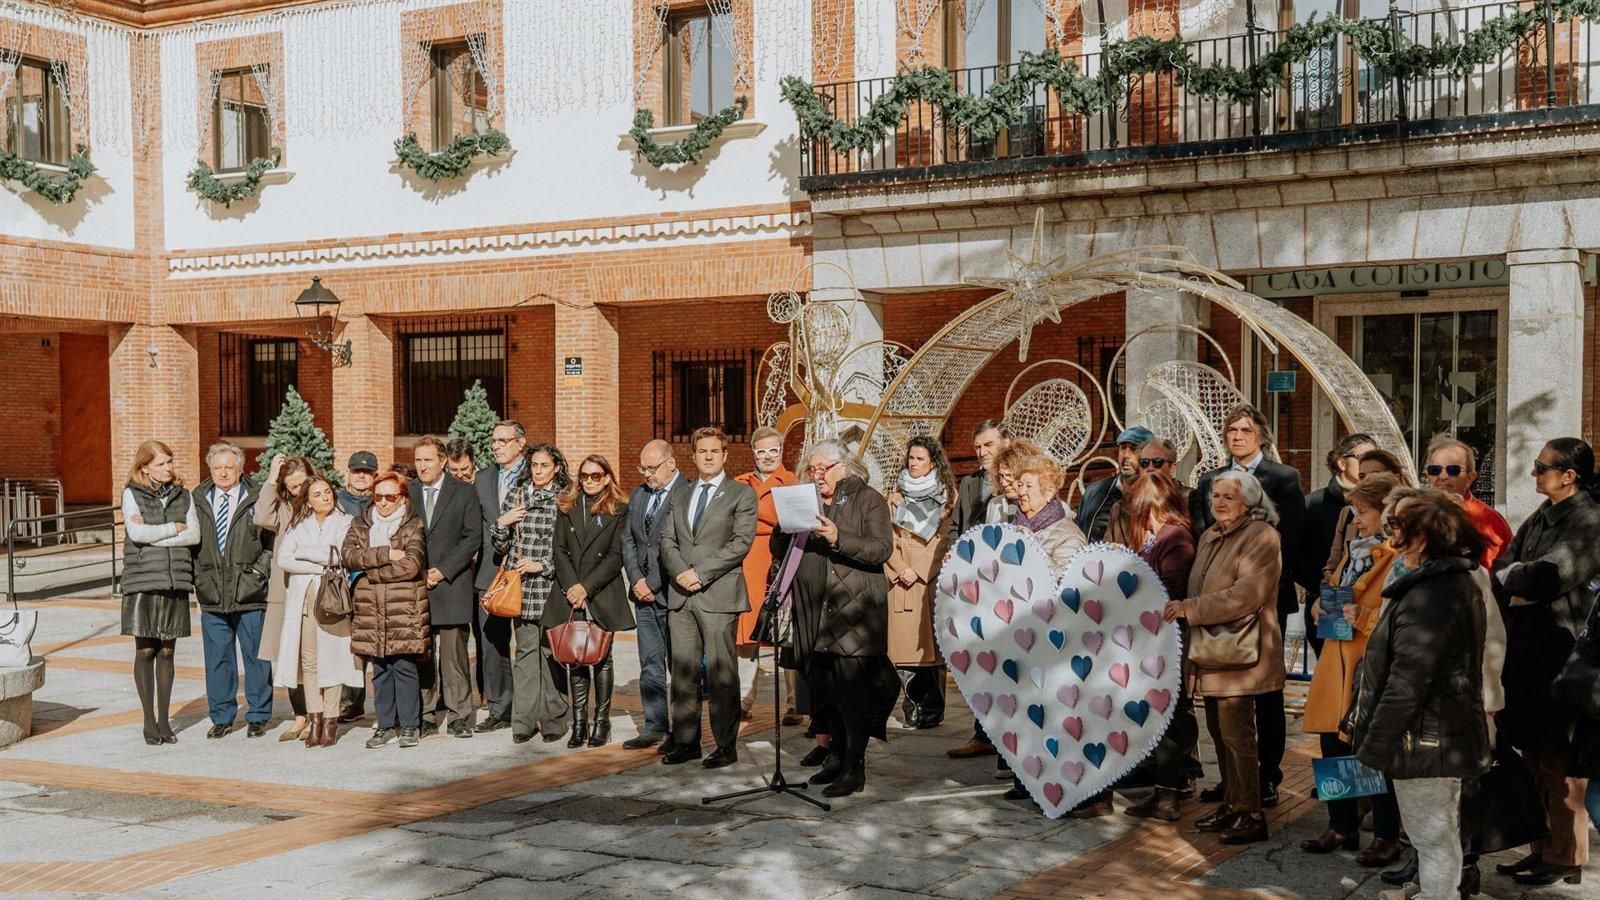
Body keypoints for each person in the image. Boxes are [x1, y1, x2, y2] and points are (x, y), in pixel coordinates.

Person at [1350, 490, 1491, 900]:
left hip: (1427, 738)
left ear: (1423, 539)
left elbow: (1407, 682)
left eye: (1397, 527)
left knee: (1433, 837)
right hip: (1433, 734)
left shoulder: (1433, 593)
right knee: (1433, 833)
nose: (1389, 534)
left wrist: (1373, 747)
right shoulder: (1439, 583)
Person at [1492, 437, 1600, 887]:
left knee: (1560, 762)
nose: (1534, 474)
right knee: (1532, 757)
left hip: (1562, 657)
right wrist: (1514, 578)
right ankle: (1539, 848)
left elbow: (1548, 576)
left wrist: (1515, 579)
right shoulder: (1541, 515)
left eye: (1541, 468)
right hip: (1525, 655)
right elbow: (1504, 565)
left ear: (1569, 475)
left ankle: (1565, 857)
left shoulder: (1590, 519)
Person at [1189, 404, 1304, 808]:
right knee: (1223, 705)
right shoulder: (1208, 481)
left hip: (1265, 598)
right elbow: (1207, 536)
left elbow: (1290, 539)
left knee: (1266, 693)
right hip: (1218, 606)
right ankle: (1234, 787)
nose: (1237, 436)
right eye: (1231, 430)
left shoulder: (1284, 478)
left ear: (1261, 435)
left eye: (1245, 429)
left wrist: (1253, 585)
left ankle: (1266, 779)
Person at [1167, 470, 1285, 845]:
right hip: (1213, 650)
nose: (1218, 503)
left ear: (1248, 502)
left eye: (1228, 497)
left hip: (1241, 654)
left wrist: (1189, 608)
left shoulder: (1262, 536)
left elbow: (1247, 595)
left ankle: (1251, 813)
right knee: (1218, 731)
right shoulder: (1211, 535)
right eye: (1215, 496)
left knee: (1238, 735)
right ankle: (1232, 802)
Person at [781, 439, 898, 797]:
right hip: (816, 611)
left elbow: (881, 548)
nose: (817, 476)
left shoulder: (868, 499)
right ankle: (834, 756)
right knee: (825, 691)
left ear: (842, 467)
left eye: (823, 469)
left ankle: (854, 766)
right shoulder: (810, 501)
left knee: (852, 695)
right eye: (812, 470)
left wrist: (837, 537)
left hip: (854, 611)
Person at [1300, 474, 1405, 863]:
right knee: (1332, 743)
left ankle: (1385, 834)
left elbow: (1399, 619)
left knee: (1371, 750)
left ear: (1385, 512)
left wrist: (1363, 615)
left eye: (1362, 513)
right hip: (1335, 657)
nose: (1356, 521)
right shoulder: (1355, 550)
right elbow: (1336, 587)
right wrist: (1319, 604)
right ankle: (1340, 825)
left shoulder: (1397, 557)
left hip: (1367, 665)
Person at [660, 427, 758, 769]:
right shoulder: (681, 494)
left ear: (725, 455)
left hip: (717, 594)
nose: (708, 456)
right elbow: (667, 541)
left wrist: (699, 574)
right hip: (681, 596)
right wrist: (680, 573)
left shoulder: (741, 495)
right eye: (702, 451)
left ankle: (724, 745)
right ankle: (686, 741)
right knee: (683, 674)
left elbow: (740, 544)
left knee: (721, 673)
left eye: (715, 451)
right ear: (694, 455)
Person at [1108, 470, 1198, 821]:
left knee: (1170, 718)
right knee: (1160, 719)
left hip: (1168, 643)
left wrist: (1128, 568)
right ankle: (1162, 792)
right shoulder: (1152, 537)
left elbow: (1167, 589)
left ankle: (1169, 796)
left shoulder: (1175, 538)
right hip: (1151, 642)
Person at [272, 476, 363, 748]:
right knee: (310, 663)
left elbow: (339, 556)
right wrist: (318, 562)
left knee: (332, 659)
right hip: (303, 600)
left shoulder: (345, 521)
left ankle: (332, 721)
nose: (325, 497)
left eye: (327, 492)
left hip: (332, 598)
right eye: (318, 494)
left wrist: (306, 552)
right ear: (308, 502)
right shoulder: (299, 524)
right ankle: (316, 718)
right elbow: (283, 559)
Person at [191, 442, 274, 739]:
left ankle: (258, 715)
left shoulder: (257, 496)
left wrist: (259, 572)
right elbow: (192, 543)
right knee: (218, 659)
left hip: (249, 592)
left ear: (240, 469)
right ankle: (222, 716)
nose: (223, 473)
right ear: (210, 469)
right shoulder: (198, 498)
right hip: (212, 592)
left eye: (229, 467)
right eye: (217, 468)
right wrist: (198, 577)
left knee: (256, 658)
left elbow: (271, 541)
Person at [550, 455, 633, 748]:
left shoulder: (619, 509)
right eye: (584, 476)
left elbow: (616, 556)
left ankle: (601, 721)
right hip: (570, 591)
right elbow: (558, 549)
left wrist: (586, 587)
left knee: (601, 658)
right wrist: (573, 586)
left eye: (595, 476)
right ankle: (580, 722)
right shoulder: (567, 506)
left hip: (601, 591)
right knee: (575, 658)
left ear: (607, 477)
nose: (588, 481)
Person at [121, 440, 200, 745]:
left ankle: (165, 720)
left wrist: (159, 533)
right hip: (142, 582)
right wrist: (173, 527)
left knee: (167, 651)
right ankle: (148, 721)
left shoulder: (184, 495)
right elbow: (136, 534)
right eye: (160, 464)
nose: (168, 468)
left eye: (169, 462)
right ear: (145, 468)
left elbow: (194, 535)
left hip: (174, 581)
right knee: (145, 650)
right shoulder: (132, 493)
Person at [343, 470, 429, 749]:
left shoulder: (413, 525)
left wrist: (372, 572)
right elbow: (349, 556)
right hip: (370, 609)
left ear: (402, 498)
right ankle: (384, 725)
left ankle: (409, 726)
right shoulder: (360, 523)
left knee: (404, 666)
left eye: (389, 497)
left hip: (403, 607)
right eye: (378, 496)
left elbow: (412, 565)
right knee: (379, 669)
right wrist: (384, 555)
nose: (382, 502)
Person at [493, 444, 572, 745]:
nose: (538, 471)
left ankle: (553, 720)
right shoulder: (516, 494)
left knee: (551, 654)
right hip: (520, 587)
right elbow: (501, 546)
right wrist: (502, 524)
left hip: (551, 585)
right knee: (525, 655)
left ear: (555, 467)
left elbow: (569, 547)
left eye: (544, 466)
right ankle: (523, 723)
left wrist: (543, 564)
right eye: (534, 465)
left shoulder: (564, 498)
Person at [409, 436, 484, 738]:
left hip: (451, 584)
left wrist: (442, 571)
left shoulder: (464, 492)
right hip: (416, 585)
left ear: (442, 461)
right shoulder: (408, 490)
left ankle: (459, 716)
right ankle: (426, 715)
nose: (422, 466)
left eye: (428, 460)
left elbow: (472, 537)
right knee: (422, 654)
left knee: (454, 657)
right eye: (418, 460)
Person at [947, 419, 1009, 760]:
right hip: (975, 585)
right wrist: (956, 563)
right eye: (978, 448)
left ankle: (1007, 735)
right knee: (979, 661)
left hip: (1010, 586)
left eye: (988, 445)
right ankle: (982, 733)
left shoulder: (1018, 479)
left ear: (1005, 442)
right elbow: (956, 528)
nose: (982, 453)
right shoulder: (970, 483)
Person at [620, 438, 686, 750]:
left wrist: (653, 582)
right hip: (642, 593)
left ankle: (682, 732)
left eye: (653, 467)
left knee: (679, 664)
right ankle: (654, 725)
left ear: (671, 463)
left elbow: (679, 546)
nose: (647, 474)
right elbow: (629, 541)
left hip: (672, 592)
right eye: (643, 468)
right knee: (650, 662)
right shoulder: (639, 494)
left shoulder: (685, 493)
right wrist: (636, 579)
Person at [886, 435, 955, 730]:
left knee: (930, 647)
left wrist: (919, 570)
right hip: (899, 578)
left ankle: (931, 708)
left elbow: (943, 541)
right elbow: (885, 537)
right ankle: (911, 705)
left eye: (920, 459)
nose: (913, 464)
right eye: (911, 458)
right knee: (902, 647)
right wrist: (900, 568)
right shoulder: (895, 496)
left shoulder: (946, 497)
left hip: (928, 578)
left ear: (933, 462)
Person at [734, 426, 799, 724]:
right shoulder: (740, 483)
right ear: (753, 453)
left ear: (782, 451)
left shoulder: (793, 483)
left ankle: (795, 703)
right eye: (761, 451)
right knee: (746, 637)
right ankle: (743, 700)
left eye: (773, 450)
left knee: (786, 635)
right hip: (747, 563)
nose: (768, 456)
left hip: (779, 561)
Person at [254, 455, 316, 740]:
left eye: (302, 483)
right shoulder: (283, 509)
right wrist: (270, 478)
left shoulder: (322, 503)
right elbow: (261, 517)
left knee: (314, 657)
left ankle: (318, 716)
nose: (299, 490)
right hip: (285, 592)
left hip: (314, 590)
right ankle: (300, 716)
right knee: (289, 656)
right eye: (292, 487)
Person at [470, 421, 526, 733]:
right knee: (492, 643)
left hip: (529, 571)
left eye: (504, 440)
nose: (497, 446)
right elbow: (477, 525)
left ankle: (533, 705)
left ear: (521, 443)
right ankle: (499, 707)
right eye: (494, 440)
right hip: (491, 573)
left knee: (533, 643)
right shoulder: (483, 478)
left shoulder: (537, 473)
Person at [1301, 433, 1377, 640]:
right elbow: (1296, 555)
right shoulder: (1313, 504)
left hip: (1369, 607)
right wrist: (1322, 590)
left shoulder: (1387, 505)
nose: (1369, 465)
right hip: (1327, 602)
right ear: (1342, 463)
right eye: (1363, 457)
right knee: (1331, 667)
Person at [1423, 436, 1512, 568]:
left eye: (1453, 470)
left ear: (1471, 477)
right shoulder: (1414, 514)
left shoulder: (1490, 522)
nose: (1442, 477)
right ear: (1427, 476)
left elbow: (1494, 574)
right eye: (1435, 470)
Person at [1076, 426, 1156, 542]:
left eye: (1134, 449)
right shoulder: (1096, 492)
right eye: (1123, 448)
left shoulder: (1159, 494)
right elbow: (1080, 534)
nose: (1126, 455)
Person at [1011, 454, 1086, 571]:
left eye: (1029, 486)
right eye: (1020, 485)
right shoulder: (1012, 525)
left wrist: (1033, 548)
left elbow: (1066, 581)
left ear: (1049, 492)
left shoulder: (1069, 536)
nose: (1021, 492)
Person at [337, 451, 378, 518]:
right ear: (348, 473)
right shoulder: (336, 501)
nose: (361, 476)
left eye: (367, 471)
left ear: (375, 476)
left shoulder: (380, 503)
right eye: (357, 470)